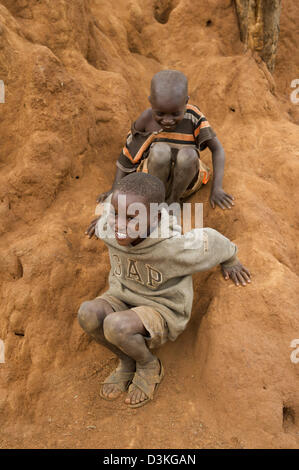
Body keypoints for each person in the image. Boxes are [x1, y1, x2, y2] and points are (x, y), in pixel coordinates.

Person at [79, 173, 250, 408]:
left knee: (114, 325)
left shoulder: (173, 247)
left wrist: (231, 258)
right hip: (121, 297)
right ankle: (127, 361)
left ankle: (148, 364)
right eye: (116, 215)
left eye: (131, 218)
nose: (119, 224)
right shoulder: (111, 229)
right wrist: (100, 224)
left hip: (161, 308)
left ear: (155, 217)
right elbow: (107, 214)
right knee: (87, 313)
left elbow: (211, 240)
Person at [96, 69, 234, 208]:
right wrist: (115, 189)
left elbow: (217, 149)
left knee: (188, 154)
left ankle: (174, 200)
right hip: (151, 182)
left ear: (186, 102)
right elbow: (128, 155)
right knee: (159, 152)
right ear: (151, 102)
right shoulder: (146, 119)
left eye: (175, 114)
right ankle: (157, 202)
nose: (167, 120)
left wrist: (217, 188)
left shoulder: (193, 116)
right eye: (160, 114)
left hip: (185, 183)